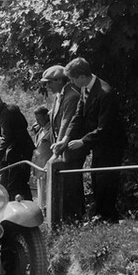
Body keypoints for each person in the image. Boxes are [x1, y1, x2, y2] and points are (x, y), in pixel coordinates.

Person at [53, 58, 127, 223]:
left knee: (106, 179)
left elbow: (105, 128)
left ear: (81, 76)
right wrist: (66, 138)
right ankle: (101, 214)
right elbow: (78, 116)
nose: (71, 82)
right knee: (96, 177)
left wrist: (83, 142)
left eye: (72, 79)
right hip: (99, 143)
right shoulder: (86, 89)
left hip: (111, 143)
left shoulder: (105, 92)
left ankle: (108, 216)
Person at [42, 64, 85, 222]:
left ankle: (75, 219)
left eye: (50, 82)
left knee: (72, 184)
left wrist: (56, 152)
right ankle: (68, 219)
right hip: (63, 149)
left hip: (70, 149)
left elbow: (66, 124)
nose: (47, 86)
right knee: (66, 185)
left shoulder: (72, 96)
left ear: (60, 80)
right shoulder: (61, 95)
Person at [0, 91, 35, 200]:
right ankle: (28, 207)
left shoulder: (7, 113)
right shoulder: (5, 112)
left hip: (20, 151)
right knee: (20, 184)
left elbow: (7, 137)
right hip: (18, 151)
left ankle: (20, 212)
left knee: (15, 185)